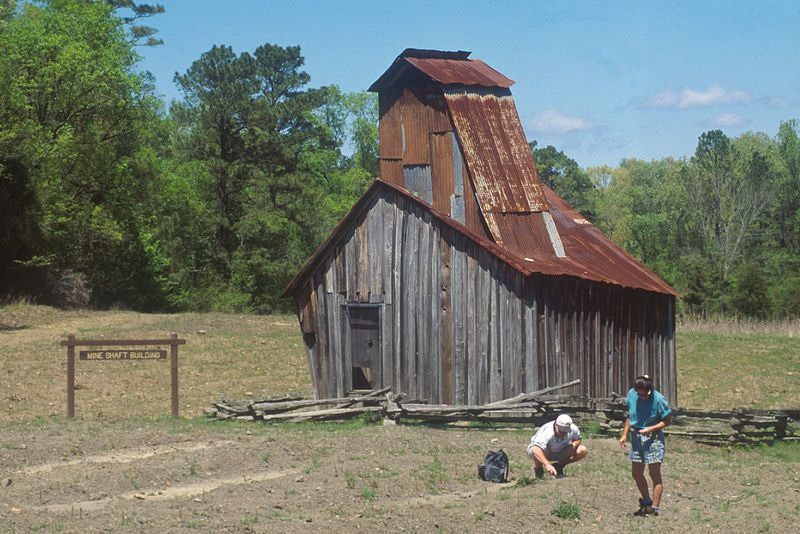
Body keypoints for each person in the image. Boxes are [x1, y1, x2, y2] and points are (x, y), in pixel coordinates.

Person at [619, 374, 673, 516]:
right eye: (639, 393)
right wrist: (624, 434)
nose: (642, 396)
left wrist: (650, 429)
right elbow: (630, 416)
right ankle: (647, 501)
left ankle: (654, 508)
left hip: (652, 438)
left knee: (654, 473)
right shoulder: (632, 394)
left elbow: (668, 421)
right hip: (636, 437)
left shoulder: (658, 399)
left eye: (645, 394)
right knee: (636, 472)